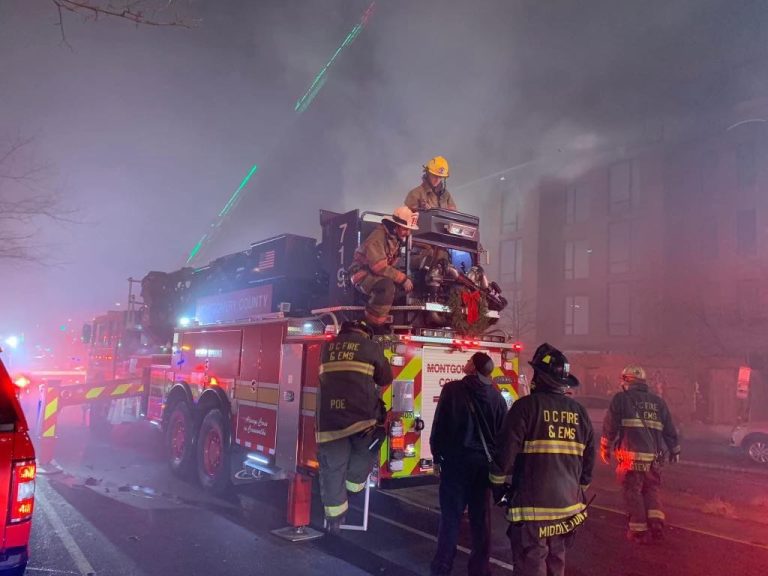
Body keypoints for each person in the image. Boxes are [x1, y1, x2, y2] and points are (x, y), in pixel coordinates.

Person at [490, 343, 594, 576]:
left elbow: (504, 454)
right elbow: (588, 463)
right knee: (557, 560)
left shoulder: (525, 408)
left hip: (533, 506)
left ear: (540, 377)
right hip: (567, 506)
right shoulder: (580, 412)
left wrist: (497, 486)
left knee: (532, 561)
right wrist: (578, 489)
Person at [429, 352, 508, 576]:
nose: (465, 363)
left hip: (455, 464)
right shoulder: (497, 398)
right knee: (481, 521)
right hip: (483, 468)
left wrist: (437, 457)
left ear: (473, 367)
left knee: (450, 518)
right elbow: (501, 438)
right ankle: (480, 569)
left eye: (468, 361)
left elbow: (439, 427)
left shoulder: (452, 391)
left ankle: (442, 566)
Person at [315, 320, 393, 533]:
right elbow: (385, 377)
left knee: (332, 468)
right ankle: (353, 487)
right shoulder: (370, 346)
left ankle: (335, 519)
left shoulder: (327, 347)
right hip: (362, 421)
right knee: (372, 444)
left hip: (329, 422)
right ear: (364, 332)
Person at [600, 364, 680, 543]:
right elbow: (669, 428)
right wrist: (675, 450)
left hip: (631, 456)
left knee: (632, 491)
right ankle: (657, 523)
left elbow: (610, 426)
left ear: (627, 381)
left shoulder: (621, 399)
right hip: (654, 458)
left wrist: (605, 447)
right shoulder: (658, 402)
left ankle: (638, 531)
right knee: (651, 489)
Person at [348, 206, 418, 333]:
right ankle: (372, 326)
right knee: (386, 287)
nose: (407, 233)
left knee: (400, 287)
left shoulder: (394, 238)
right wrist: (402, 279)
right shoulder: (378, 237)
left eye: (409, 230)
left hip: (376, 273)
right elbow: (378, 266)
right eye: (405, 229)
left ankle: (382, 318)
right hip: (361, 274)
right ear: (396, 226)